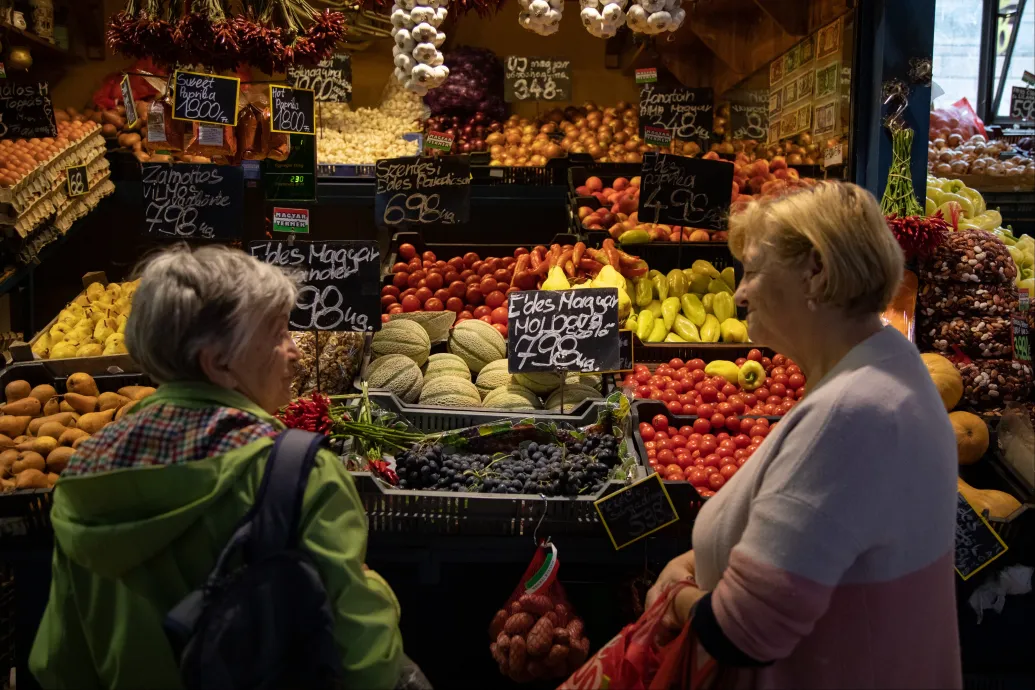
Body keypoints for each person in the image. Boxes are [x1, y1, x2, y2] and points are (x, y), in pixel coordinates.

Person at [30, 245, 412, 689]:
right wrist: (378, 591)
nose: (295, 353)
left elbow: (59, 663)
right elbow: (367, 661)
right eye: (276, 335)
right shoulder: (295, 472)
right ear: (218, 363)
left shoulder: (85, 473)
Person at [646, 182, 962, 689]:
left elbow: (743, 632)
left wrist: (671, 594)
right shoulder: (890, 368)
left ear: (815, 271)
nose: (739, 292)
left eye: (751, 270)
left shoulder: (851, 416)